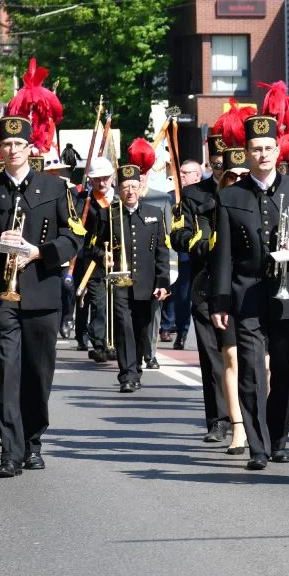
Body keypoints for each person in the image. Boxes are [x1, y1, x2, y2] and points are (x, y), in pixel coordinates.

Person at [0, 115, 81, 478]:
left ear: (31, 147)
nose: (13, 150)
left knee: (38, 373)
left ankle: (33, 441)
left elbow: (74, 236)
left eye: (19, 144)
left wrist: (40, 252)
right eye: (7, 144)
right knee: (4, 370)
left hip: (42, 292)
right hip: (1, 294)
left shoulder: (55, 187)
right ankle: (10, 451)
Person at [210, 113, 289, 471]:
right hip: (248, 293)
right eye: (256, 149)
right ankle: (257, 444)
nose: (264, 154)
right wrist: (220, 301)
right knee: (251, 372)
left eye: (269, 148)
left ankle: (279, 439)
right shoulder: (230, 196)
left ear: (278, 150)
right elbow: (223, 253)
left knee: (286, 371)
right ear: (247, 152)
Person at [168, 133, 230, 443]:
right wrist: (202, 244)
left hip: (242, 285)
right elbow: (177, 235)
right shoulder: (193, 194)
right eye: (216, 164)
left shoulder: (247, 191)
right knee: (211, 356)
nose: (221, 169)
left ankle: (247, 417)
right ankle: (218, 420)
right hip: (206, 283)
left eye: (225, 163)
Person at [101, 143, 170, 393]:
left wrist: (163, 283)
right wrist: (105, 257)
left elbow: (162, 251)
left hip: (146, 283)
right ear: (118, 189)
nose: (129, 191)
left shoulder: (154, 213)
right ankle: (127, 375)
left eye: (133, 186)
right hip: (120, 283)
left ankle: (136, 368)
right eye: (125, 187)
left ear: (140, 188)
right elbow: (95, 246)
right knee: (124, 327)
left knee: (142, 328)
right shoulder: (110, 214)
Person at [74, 157, 116, 363]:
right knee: (99, 304)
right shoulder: (84, 201)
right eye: (97, 179)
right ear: (90, 180)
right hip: (94, 260)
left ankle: (114, 343)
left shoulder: (121, 199)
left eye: (105, 178)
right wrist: (100, 254)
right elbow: (81, 236)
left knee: (117, 304)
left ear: (112, 177)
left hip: (119, 260)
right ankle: (99, 345)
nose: (102, 183)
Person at [160, 159, 201, 348]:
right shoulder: (171, 197)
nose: (181, 175)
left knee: (197, 297)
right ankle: (179, 330)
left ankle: (196, 332)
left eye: (186, 173)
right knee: (180, 296)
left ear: (197, 175)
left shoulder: (206, 194)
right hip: (180, 253)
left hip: (201, 253)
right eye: (180, 172)